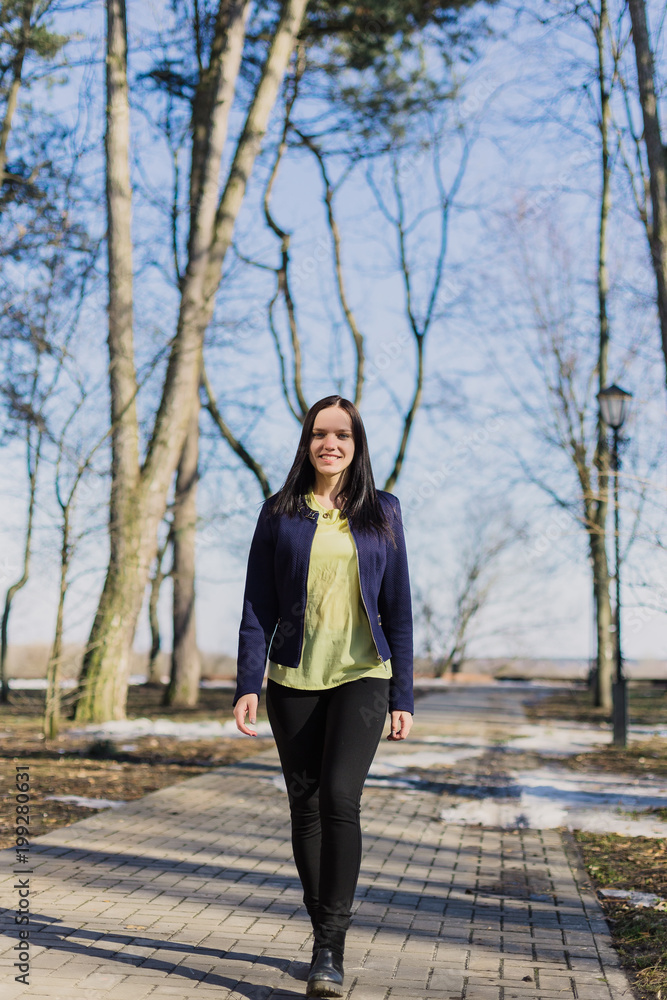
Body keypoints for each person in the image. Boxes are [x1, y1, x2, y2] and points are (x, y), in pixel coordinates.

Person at [233, 394, 414, 998]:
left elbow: (399, 609)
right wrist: (248, 682)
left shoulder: (383, 511)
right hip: (293, 679)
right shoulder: (279, 512)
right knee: (305, 804)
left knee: (339, 796)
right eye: (319, 433)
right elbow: (257, 603)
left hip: (364, 674)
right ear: (306, 442)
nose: (330, 443)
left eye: (342, 434)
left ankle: (330, 945)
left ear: (357, 444)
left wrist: (404, 695)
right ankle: (324, 933)